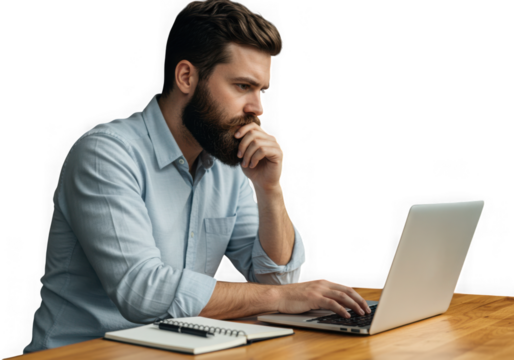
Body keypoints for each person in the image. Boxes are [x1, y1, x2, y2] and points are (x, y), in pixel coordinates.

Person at [23, 0, 370, 354]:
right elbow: (141, 291)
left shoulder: (225, 160)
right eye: (241, 86)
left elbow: (275, 277)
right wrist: (280, 297)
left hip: (175, 350)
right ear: (186, 76)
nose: (258, 108)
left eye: (261, 91)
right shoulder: (106, 154)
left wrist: (269, 190)